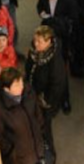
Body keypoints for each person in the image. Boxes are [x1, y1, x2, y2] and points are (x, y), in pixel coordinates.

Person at [0, 68, 45, 164]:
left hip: (37, 150)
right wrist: (10, 151)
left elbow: (37, 113)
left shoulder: (28, 93)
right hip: (19, 159)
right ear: (6, 89)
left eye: (21, 81)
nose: (22, 86)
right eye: (17, 84)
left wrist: (41, 129)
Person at [25, 26, 67, 159]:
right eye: (35, 40)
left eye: (40, 41)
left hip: (45, 103)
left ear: (49, 41)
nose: (36, 44)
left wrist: (46, 102)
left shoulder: (54, 60)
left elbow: (58, 85)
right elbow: (28, 70)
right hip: (32, 96)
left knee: (45, 128)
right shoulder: (34, 52)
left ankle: (49, 155)